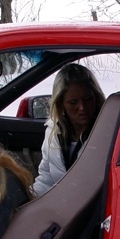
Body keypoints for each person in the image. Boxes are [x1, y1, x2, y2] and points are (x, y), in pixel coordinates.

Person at [32, 63, 105, 196]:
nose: (82, 107)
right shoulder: (53, 132)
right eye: (73, 102)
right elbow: (46, 178)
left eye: (88, 99)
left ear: (96, 97)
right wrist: (27, 201)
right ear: (61, 104)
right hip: (63, 209)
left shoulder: (107, 132)